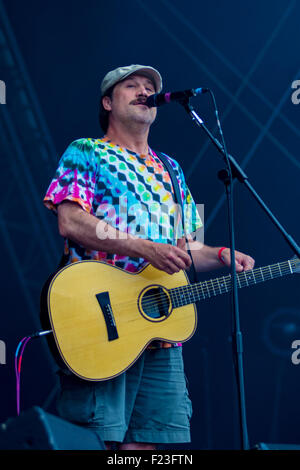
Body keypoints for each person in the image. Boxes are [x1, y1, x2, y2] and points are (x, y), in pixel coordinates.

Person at [43, 64, 255, 450]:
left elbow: (189, 248)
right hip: (99, 319)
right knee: (97, 442)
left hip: (160, 331)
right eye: (131, 86)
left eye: (149, 88)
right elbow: (70, 221)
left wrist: (221, 254)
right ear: (108, 102)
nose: (144, 92)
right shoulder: (87, 151)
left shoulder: (173, 169)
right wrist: (142, 247)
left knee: (148, 447)